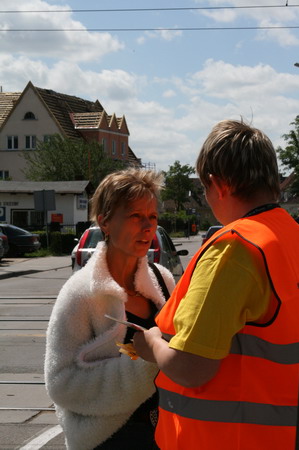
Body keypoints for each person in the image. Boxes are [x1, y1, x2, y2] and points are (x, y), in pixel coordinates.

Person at [133, 120, 299, 450]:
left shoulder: (235, 249)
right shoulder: (290, 236)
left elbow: (191, 367)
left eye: (204, 190)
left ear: (218, 184)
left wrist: (150, 343)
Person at [44, 168, 175, 450]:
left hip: (166, 430)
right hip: (109, 439)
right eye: (135, 216)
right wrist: (145, 366)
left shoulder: (163, 279)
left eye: (152, 216)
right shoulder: (80, 293)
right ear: (105, 222)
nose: (147, 226)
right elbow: (61, 383)